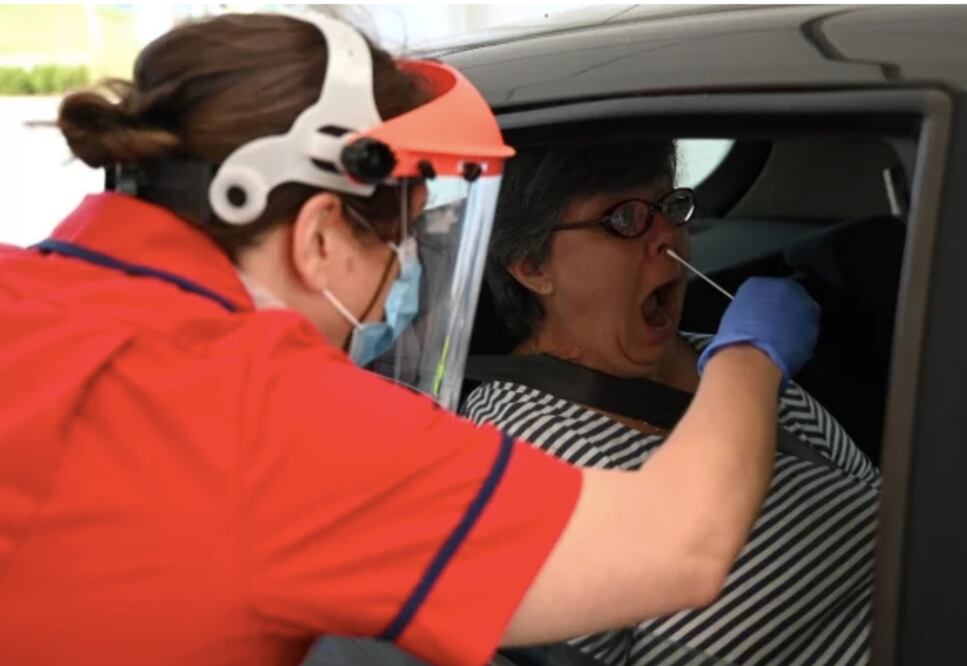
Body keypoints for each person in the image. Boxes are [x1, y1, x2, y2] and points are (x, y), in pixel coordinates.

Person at [0, 12, 820, 666]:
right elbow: (679, 549)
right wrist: (751, 353)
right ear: (321, 237)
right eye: (399, 243)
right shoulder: (271, 416)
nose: (400, 281)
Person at [466, 141, 880, 665]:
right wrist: (749, 364)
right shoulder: (515, 452)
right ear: (532, 267)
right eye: (624, 219)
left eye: (671, 207)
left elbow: (883, 511)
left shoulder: (723, 357)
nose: (668, 236)